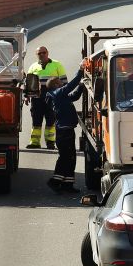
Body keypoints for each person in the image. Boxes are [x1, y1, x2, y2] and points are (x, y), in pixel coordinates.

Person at [45, 62, 85, 194]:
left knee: (71, 157)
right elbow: (70, 86)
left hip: (67, 130)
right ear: (55, 85)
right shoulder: (57, 94)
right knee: (65, 157)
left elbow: (74, 96)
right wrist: (80, 71)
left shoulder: (60, 96)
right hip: (64, 131)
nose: (62, 83)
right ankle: (55, 181)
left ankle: (67, 184)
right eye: (59, 82)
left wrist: (81, 86)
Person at [26, 47, 66, 149]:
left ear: (47, 53)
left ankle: (50, 142)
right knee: (36, 120)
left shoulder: (57, 64)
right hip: (37, 98)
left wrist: (62, 95)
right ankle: (34, 142)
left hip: (52, 97)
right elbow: (29, 84)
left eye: (44, 52)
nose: (42, 55)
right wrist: (26, 96)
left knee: (51, 120)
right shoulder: (33, 67)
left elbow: (64, 82)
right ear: (37, 55)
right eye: (39, 53)